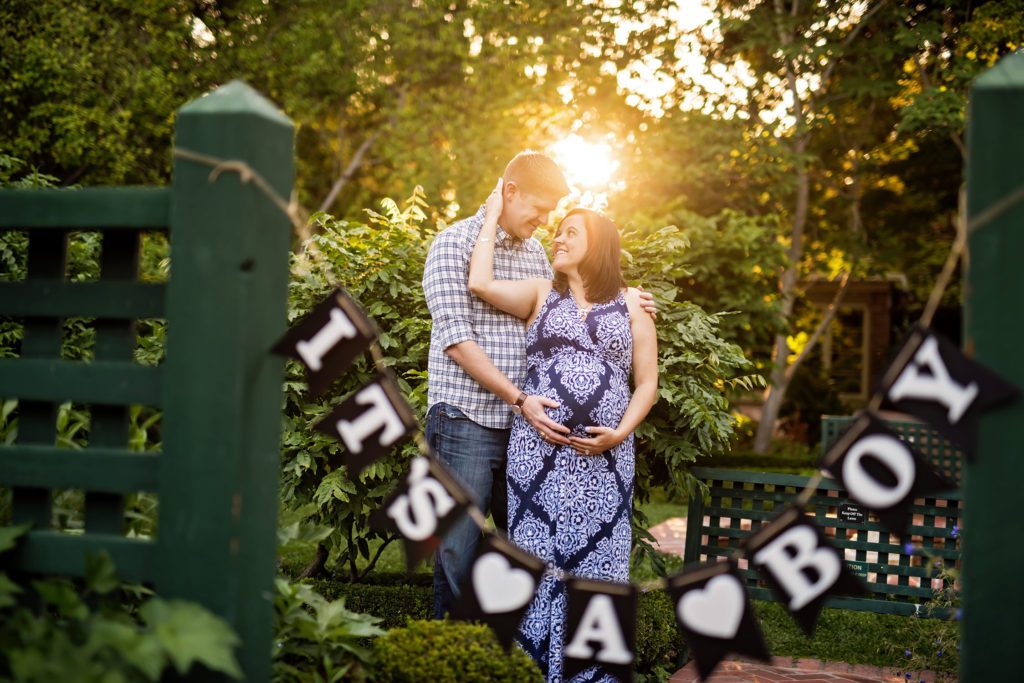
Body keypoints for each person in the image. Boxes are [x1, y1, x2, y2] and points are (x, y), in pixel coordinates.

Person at [422, 151, 656, 620]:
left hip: (532, 433)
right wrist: (521, 399)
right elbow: (458, 341)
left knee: (527, 554)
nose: (548, 223)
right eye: (542, 208)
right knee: (458, 551)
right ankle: (452, 654)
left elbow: (583, 302)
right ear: (509, 193)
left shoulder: (535, 254)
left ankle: (513, 658)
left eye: (557, 216)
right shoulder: (452, 245)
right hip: (468, 418)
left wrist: (631, 300)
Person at [469, 180, 658, 682]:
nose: (558, 238)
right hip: (537, 455)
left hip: (605, 460)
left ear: (597, 246)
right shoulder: (538, 292)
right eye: (558, 231)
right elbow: (480, 285)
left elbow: (648, 384)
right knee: (538, 558)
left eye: (570, 232)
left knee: (599, 560)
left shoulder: (635, 305)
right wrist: (490, 217)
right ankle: (531, 672)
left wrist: (619, 434)